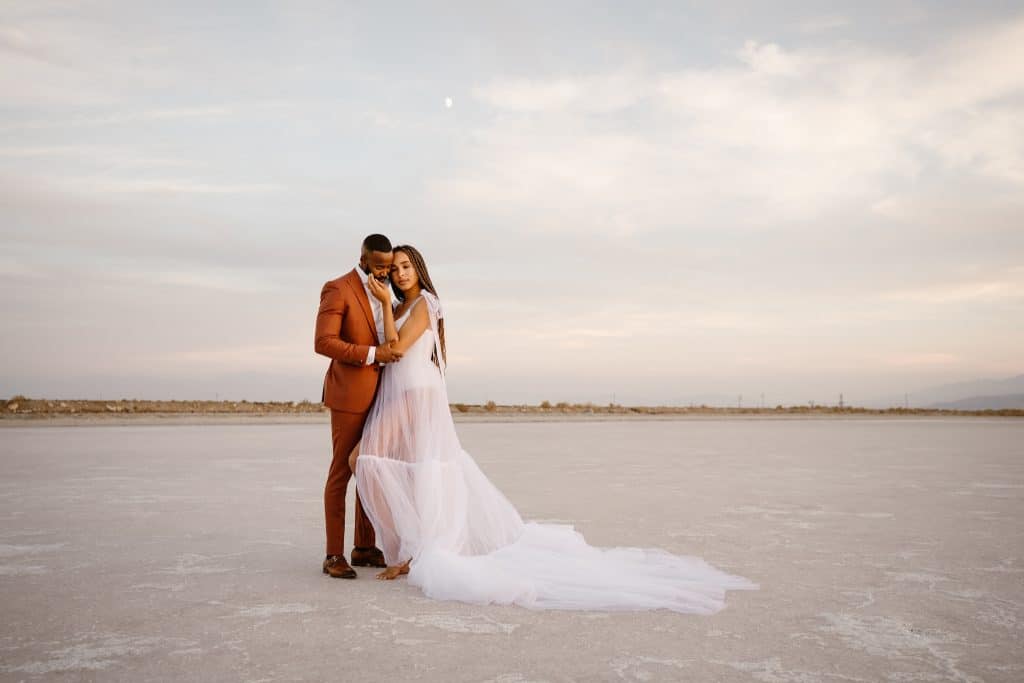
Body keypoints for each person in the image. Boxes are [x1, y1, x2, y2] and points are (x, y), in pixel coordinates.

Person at [350, 245, 759, 613]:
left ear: (419, 270)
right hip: (402, 394)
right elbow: (386, 346)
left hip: (417, 393)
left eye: (407, 266)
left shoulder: (425, 303)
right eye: (396, 268)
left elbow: (397, 350)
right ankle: (407, 548)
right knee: (399, 466)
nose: (401, 273)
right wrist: (383, 302)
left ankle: (410, 552)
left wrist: (385, 301)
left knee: (375, 461)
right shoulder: (401, 305)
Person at [313, 233, 401, 579]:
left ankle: (364, 547)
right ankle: (333, 554)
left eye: (388, 267)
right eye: (379, 266)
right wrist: (372, 355)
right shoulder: (338, 288)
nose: (384, 273)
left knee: (369, 467)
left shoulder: (387, 292)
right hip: (349, 395)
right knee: (342, 472)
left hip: (383, 395)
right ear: (363, 259)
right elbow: (324, 342)